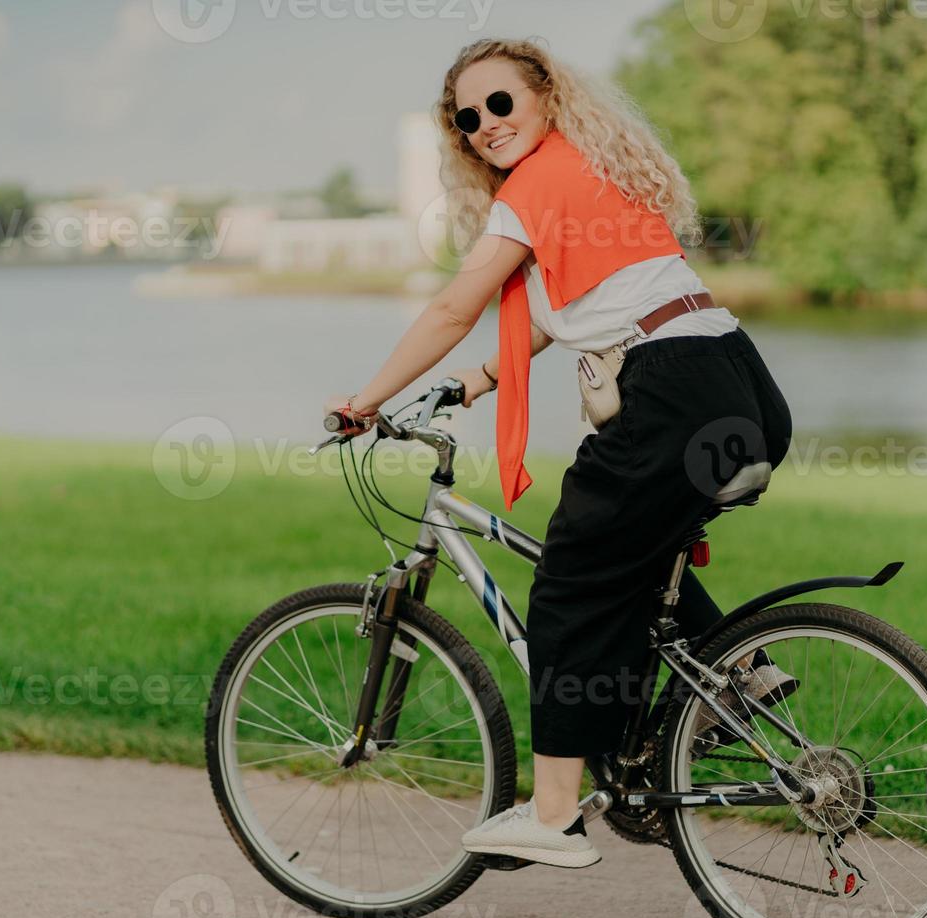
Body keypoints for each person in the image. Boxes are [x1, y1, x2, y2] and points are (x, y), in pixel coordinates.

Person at [321, 38, 795, 869]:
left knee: (572, 576)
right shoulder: (594, 175)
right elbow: (569, 309)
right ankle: (738, 673)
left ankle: (553, 812)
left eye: (500, 103)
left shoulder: (538, 184)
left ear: (546, 98)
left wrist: (364, 400)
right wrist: (474, 384)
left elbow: (451, 307)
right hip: (739, 385)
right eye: (467, 119)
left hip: (671, 394)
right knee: (632, 556)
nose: (485, 126)